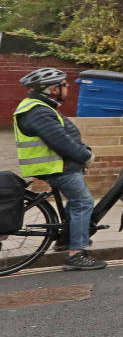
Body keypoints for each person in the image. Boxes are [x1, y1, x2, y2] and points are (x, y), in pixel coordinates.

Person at [12, 67, 107, 271]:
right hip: (57, 168)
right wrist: (86, 156)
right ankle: (77, 253)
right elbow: (61, 142)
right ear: (52, 89)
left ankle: (66, 240)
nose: (68, 87)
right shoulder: (37, 111)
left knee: (75, 203)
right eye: (64, 85)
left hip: (58, 166)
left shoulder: (41, 107)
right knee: (83, 202)